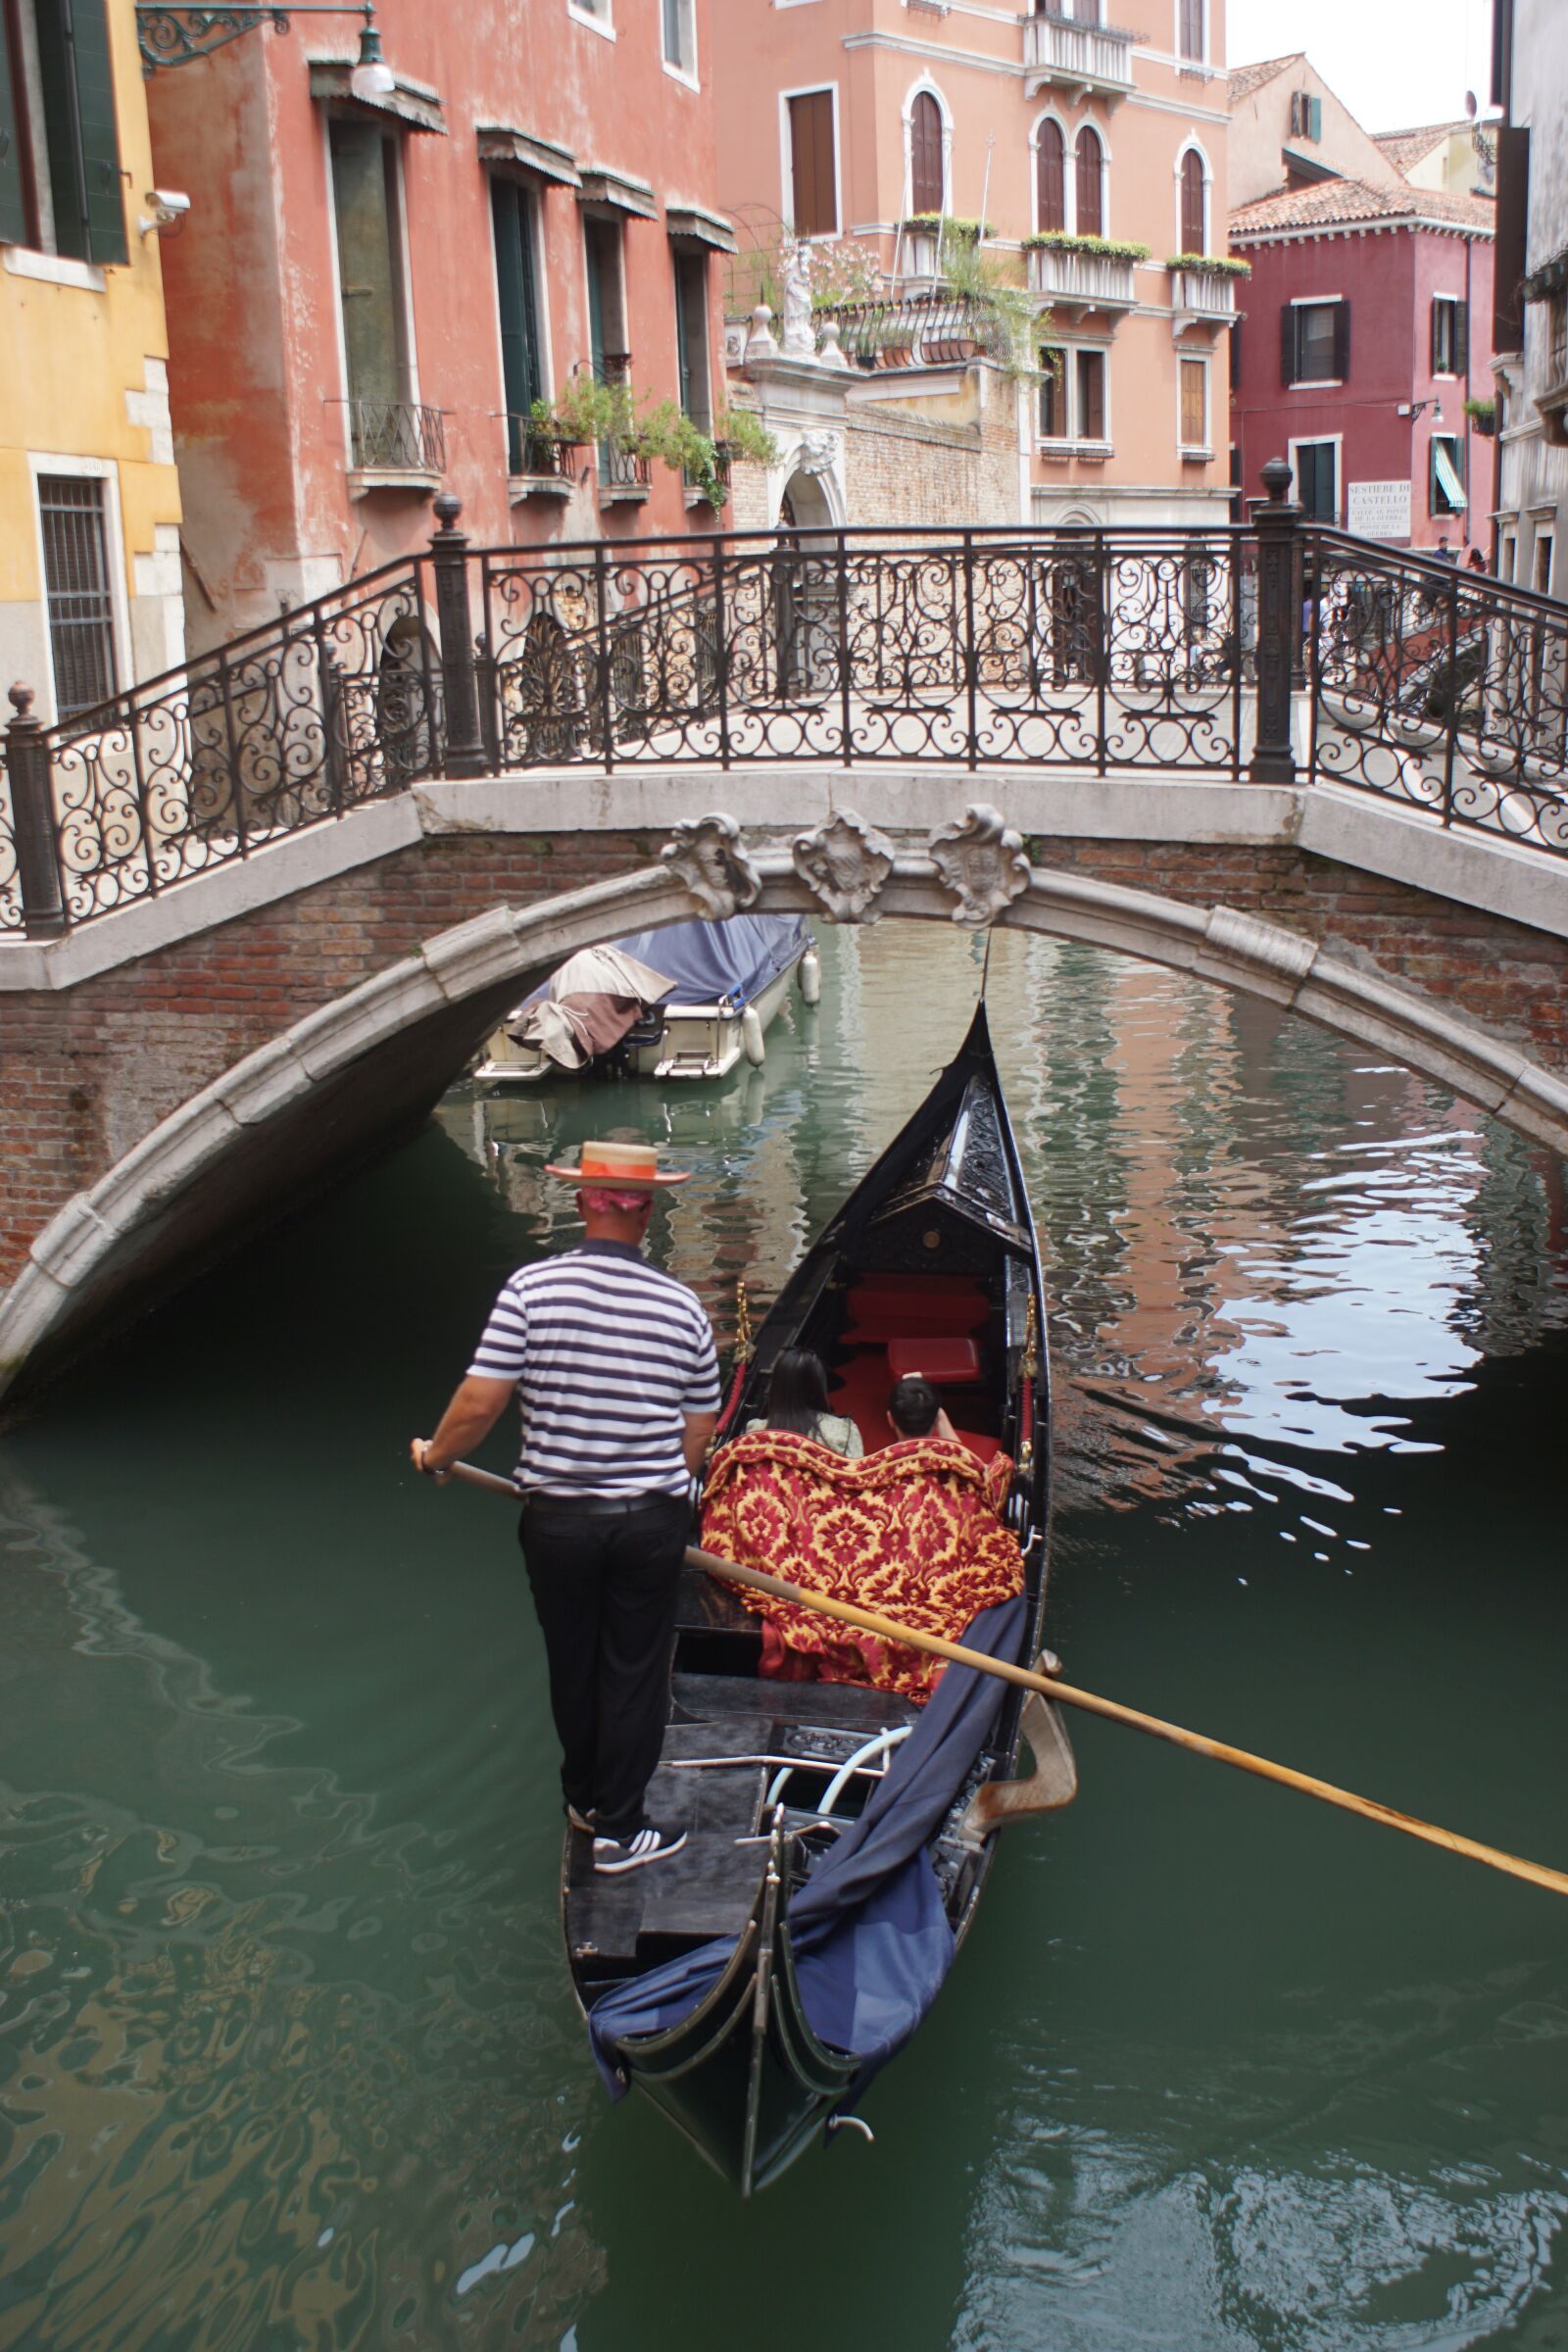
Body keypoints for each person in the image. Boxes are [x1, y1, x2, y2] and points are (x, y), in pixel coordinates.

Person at [412, 1139, 719, 1877]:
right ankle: (620, 1828)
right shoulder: (684, 1309)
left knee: (572, 1661)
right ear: (647, 1211)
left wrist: (439, 1457)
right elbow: (700, 1427)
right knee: (634, 1667)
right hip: (647, 1520)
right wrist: (661, 1498)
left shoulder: (529, 1290)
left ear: (581, 1202)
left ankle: (583, 1800)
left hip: (558, 1522)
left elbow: (480, 1402)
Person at [745, 1348, 863, 1458]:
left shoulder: (755, 1430)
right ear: (819, 1386)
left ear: (777, 1387)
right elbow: (856, 1477)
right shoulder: (843, 1430)